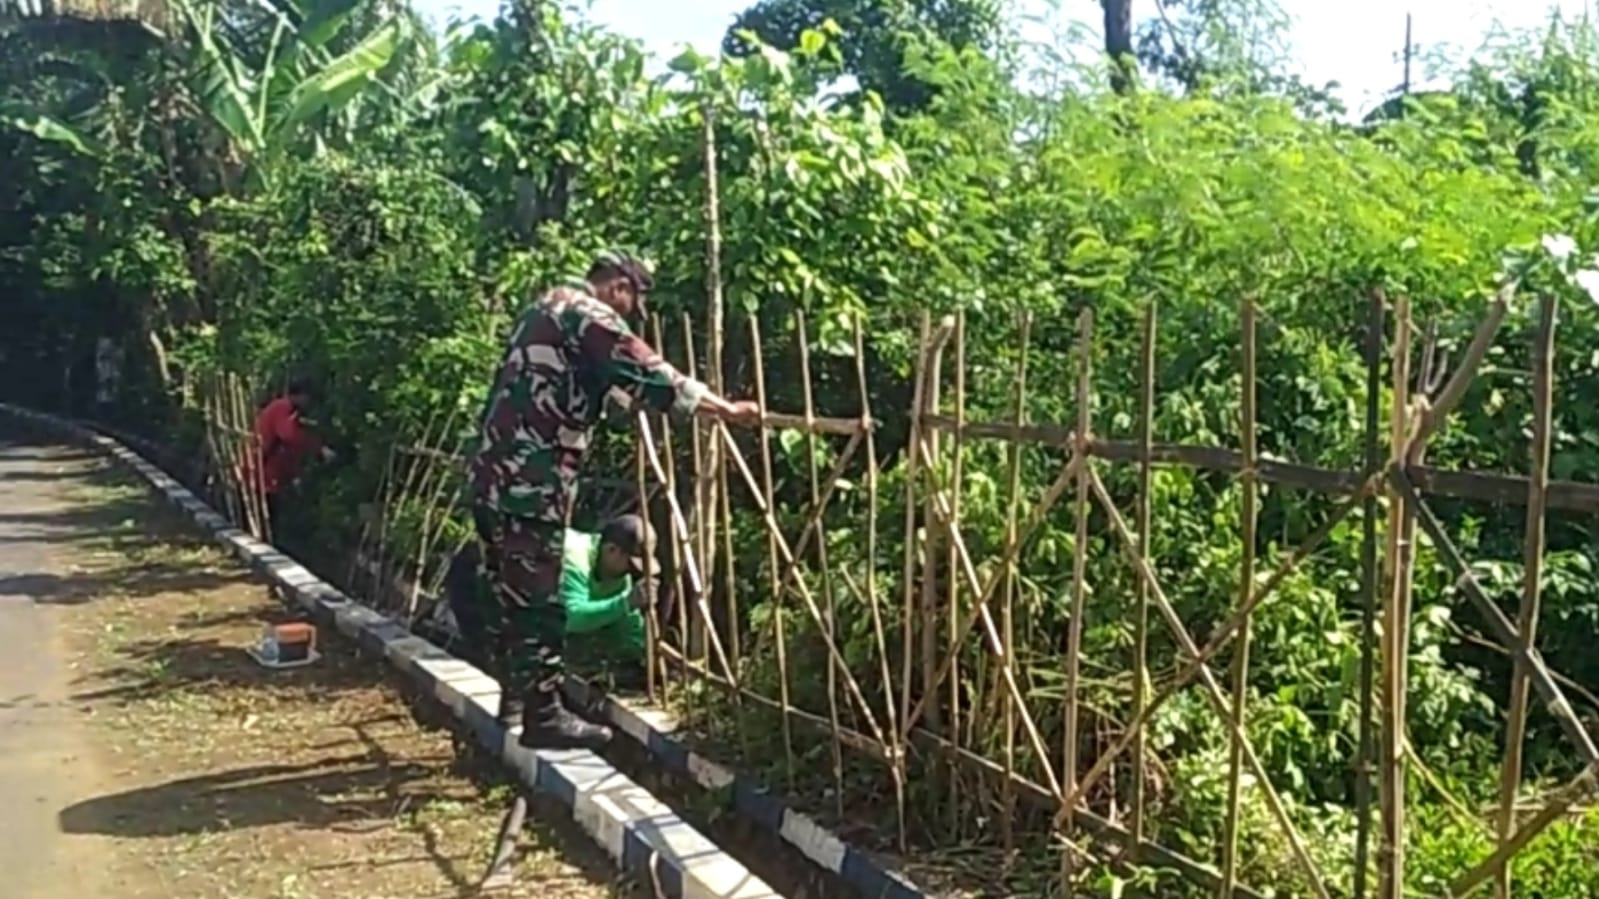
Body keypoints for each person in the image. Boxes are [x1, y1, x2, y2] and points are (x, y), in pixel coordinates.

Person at [466, 249, 760, 750]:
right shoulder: (590, 315)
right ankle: (544, 717)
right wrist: (723, 408)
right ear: (619, 287)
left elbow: (596, 389)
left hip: (492, 476)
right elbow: (649, 371)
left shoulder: (544, 311)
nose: (631, 313)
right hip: (529, 484)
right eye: (633, 301)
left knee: (508, 594)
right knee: (540, 602)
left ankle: (515, 697)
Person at [443, 513, 667, 691]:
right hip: (480, 578)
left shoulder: (616, 573)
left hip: (517, 594)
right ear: (611, 550)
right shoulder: (570, 559)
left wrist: (648, 655)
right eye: (632, 564)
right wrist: (626, 602)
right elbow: (570, 617)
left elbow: (625, 623)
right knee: (495, 661)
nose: (632, 573)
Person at [249, 380, 335, 530]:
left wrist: (294, 474)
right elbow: (289, 435)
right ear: (300, 396)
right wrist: (318, 448)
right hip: (264, 470)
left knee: (269, 514)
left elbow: (289, 446)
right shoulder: (283, 408)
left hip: (269, 470)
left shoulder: (285, 410)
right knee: (266, 514)